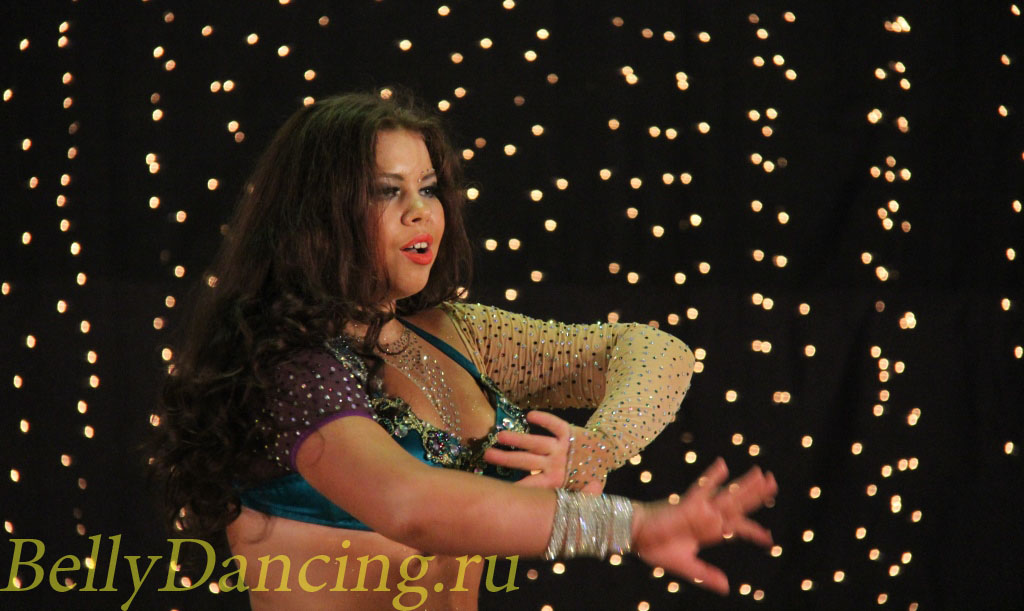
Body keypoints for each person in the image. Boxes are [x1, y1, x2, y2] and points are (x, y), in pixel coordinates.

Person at [149, 90, 777, 610]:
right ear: (318, 215)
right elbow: (410, 505)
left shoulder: (453, 333)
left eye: (428, 188)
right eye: (386, 191)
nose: (420, 212)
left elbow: (652, 350)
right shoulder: (286, 368)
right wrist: (629, 524)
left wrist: (600, 445)